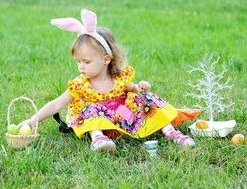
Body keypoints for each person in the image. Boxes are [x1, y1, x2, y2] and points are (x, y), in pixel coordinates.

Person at [19, 9, 200, 152]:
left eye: (86, 62)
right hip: (100, 122)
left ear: (106, 59)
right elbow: (56, 105)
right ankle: (98, 139)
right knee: (90, 109)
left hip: (122, 117)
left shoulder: (118, 79)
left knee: (146, 100)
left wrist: (141, 87)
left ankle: (170, 132)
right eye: (79, 61)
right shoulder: (80, 84)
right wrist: (33, 120)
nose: (81, 66)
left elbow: (134, 89)